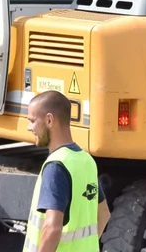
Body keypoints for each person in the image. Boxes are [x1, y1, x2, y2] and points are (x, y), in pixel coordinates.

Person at [24, 90, 109, 252]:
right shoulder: (86, 160)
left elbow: (52, 227)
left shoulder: (56, 165)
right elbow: (104, 213)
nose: (29, 127)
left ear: (49, 120)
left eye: (32, 121)